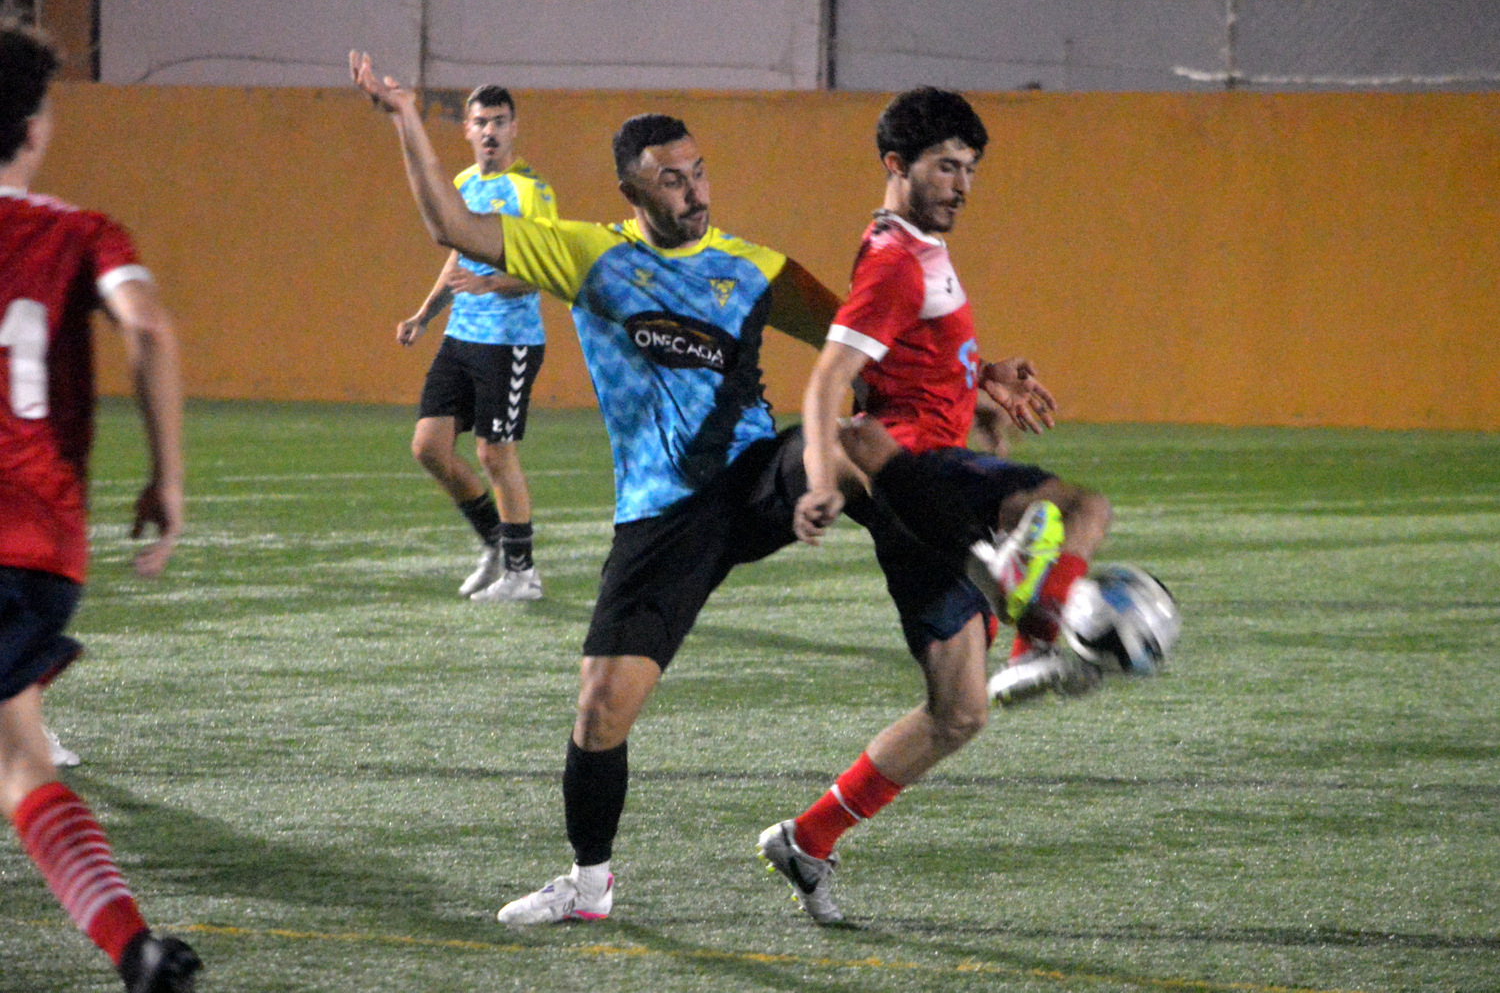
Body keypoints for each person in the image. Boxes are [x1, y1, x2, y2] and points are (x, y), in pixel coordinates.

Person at [352, 51, 870, 925]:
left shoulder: (754, 268)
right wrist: (407, 117)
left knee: (859, 444)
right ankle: (590, 885)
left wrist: (983, 371)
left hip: (750, 479)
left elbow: (866, 331)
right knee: (599, 712)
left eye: (698, 171)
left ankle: (1001, 570)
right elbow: (448, 223)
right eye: (671, 181)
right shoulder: (590, 255)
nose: (694, 191)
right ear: (634, 194)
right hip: (660, 518)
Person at [758, 86, 1118, 924]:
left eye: (970, 169)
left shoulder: (906, 244)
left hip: (925, 482)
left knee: (958, 712)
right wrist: (819, 475)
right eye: (946, 167)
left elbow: (902, 349)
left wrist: (980, 372)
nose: (962, 184)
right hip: (919, 476)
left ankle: (805, 840)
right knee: (1078, 504)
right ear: (897, 166)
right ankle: (1041, 634)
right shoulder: (894, 259)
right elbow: (831, 384)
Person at [0, 22, 202, 991]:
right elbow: (150, 331)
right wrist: (167, 479)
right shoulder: (81, 232)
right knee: (18, 755)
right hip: (41, 548)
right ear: (34, 128)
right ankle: (134, 948)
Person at [395, 85, 559, 602]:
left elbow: (548, 270)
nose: (490, 130)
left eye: (500, 121)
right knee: (429, 447)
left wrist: (491, 283)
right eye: (481, 121)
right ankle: (494, 541)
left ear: (515, 128)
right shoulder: (463, 183)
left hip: (509, 343)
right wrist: (425, 314)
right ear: (467, 130)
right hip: (460, 337)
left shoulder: (532, 190)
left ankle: (523, 574)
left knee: (495, 455)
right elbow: (457, 259)